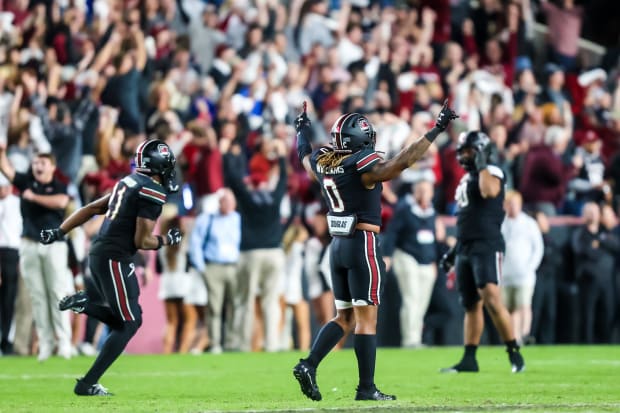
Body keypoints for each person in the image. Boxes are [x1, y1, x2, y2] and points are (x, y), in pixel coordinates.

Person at [292, 101, 457, 401]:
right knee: (366, 320)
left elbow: (304, 155)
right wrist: (435, 130)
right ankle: (366, 388)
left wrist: (301, 129)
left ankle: (309, 364)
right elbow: (399, 165)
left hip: (337, 246)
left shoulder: (323, 162)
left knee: (344, 317)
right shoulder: (362, 166)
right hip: (362, 243)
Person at [39, 139, 182, 396]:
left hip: (104, 253)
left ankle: (84, 305)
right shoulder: (152, 191)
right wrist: (167, 240)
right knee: (128, 323)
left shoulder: (127, 182)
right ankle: (86, 383)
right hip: (114, 257)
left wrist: (59, 231)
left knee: (129, 319)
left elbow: (91, 207)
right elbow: (142, 241)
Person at [439, 131, 525, 373]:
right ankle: (469, 359)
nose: (464, 156)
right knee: (470, 304)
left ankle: (514, 353)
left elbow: (489, 192)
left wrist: (483, 165)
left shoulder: (493, 171)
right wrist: (454, 252)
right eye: (462, 151)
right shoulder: (466, 179)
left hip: (487, 243)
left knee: (492, 298)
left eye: (469, 151)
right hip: (466, 245)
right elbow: (466, 220)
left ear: (481, 151)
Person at [0, 146, 73, 361]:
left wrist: (33, 198)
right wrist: (2, 153)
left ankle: (64, 342)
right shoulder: (26, 182)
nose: (37, 167)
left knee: (57, 293)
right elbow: (7, 170)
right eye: (35, 163)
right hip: (29, 243)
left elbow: (61, 201)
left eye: (42, 163)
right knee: (37, 297)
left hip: (54, 245)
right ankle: (46, 343)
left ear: (52, 166)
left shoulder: (58, 185)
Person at [383, 179, 446, 348]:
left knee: (422, 301)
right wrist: (387, 256)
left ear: (432, 193)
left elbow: (433, 240)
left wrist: (435, 259)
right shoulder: (404, 210)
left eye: (427, 191)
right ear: (414, 192)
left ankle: (416, 338)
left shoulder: (432, 214)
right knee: (411, 298)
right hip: (407, 256)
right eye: (421, 190)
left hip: (427, 261)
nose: (424, 194)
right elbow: (391, 234)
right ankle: (409, 339)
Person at [189, 188, 241, 354]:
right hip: (213, 266)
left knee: (234, 305)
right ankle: (215, 343)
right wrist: (202, 267)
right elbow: (195, 242)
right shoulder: (207, 218)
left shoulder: (237, 218)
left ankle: (232, 342)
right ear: (219, 202)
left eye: (231, 202)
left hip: (233, 266)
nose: (229, 205)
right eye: (225, 201)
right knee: (214, 307)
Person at [570, 202, 619, 343]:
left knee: (607, 315)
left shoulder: (605, 233)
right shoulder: (579, 233)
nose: (592, 215)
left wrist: (599, 243)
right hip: (588, 281)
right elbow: (584, 251)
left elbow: (616, 246)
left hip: (606, 281)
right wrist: (602, 246)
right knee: (587, 317)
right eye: (589, 212)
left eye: (595, 211)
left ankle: (606, 344)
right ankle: (587, 344)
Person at [500, 191, 544, 345]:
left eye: (514, 204)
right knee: (508, 309)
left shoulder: (529, 223)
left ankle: (523, 334)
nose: (511, 207)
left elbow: (538, 247)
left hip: (524, 274)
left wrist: (530, 267)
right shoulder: (501, 223)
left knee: (523, 305)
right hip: (505, 275)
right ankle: (514, 337)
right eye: (509, 203)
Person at [0, 173, 22, 355]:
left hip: (13, 252)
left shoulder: (17, 202)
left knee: (9, 299)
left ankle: (6, 339)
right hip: (2, 250)